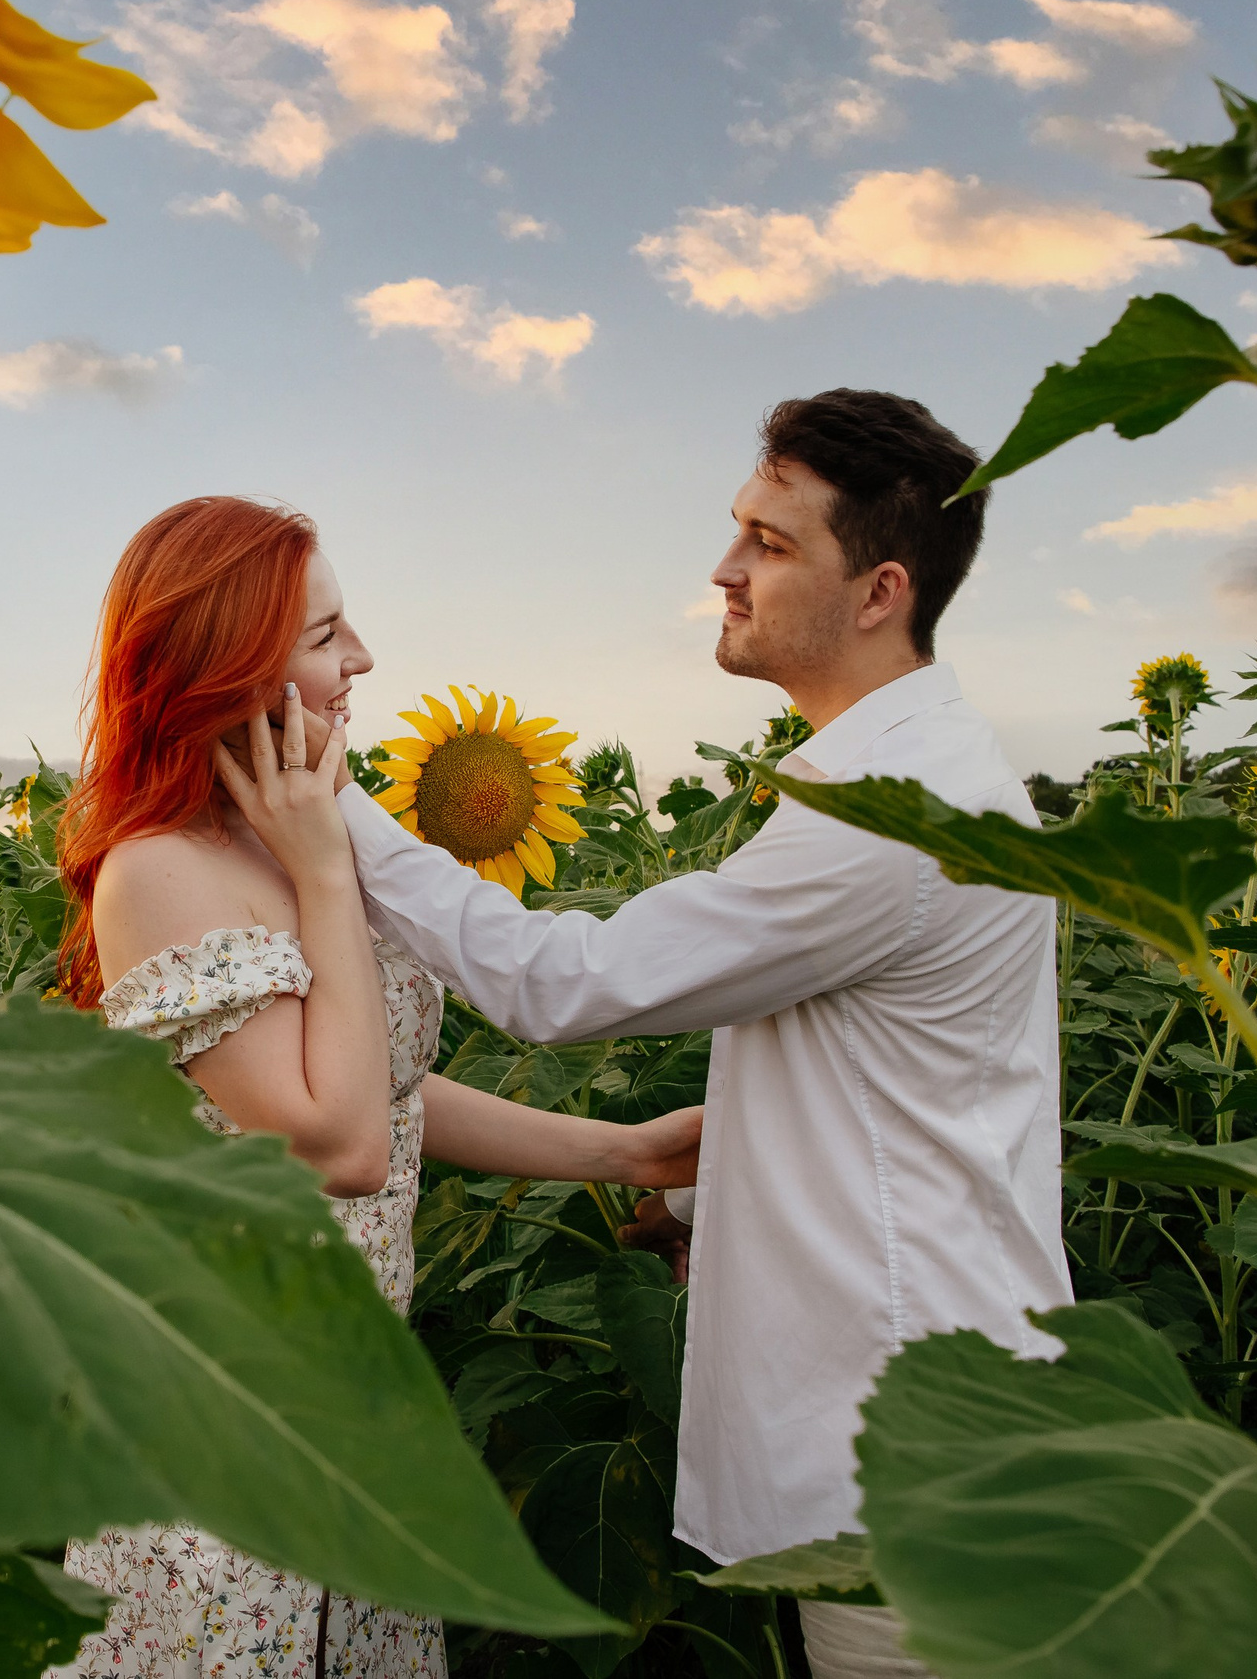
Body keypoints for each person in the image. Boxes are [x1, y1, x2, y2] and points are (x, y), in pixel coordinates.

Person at [234, 392, 1067, 1679]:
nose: (724, 570)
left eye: (771, 545)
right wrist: (702, 1197)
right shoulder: (901, 775)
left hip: (918, 1455)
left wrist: (335, 818)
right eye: (738, 530)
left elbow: (562, 986)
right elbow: (902, 1089)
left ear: (877, 591)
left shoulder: (893, 811)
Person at [50, 494, 707, 1679]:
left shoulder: (294, 838)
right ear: (228, 665)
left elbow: (389, 1087)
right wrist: (322, 874)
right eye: (324, 636)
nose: (363, 659)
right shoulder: (161, 873)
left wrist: (632, 1149)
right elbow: (338, 1142)